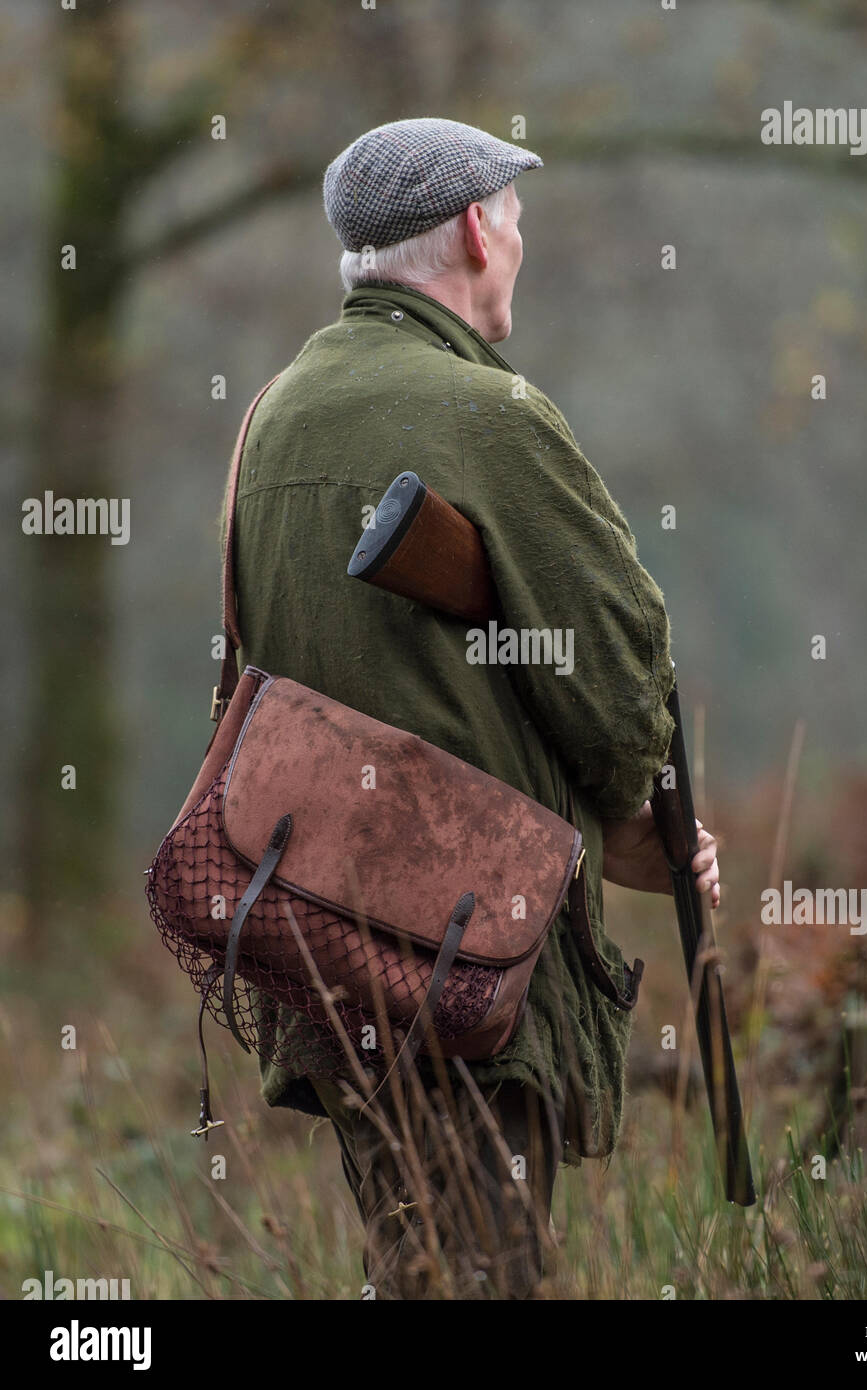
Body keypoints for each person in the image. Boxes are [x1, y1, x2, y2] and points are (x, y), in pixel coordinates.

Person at [226, 117, 720, 1299]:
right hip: (466, 943)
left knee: (415, 1253)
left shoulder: (271, 420)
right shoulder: (492, 415)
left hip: (320, 933)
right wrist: (632, 819)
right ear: (472, 229)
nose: (518, 244)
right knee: (478, 1268)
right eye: (516, 221)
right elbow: (616, 688)